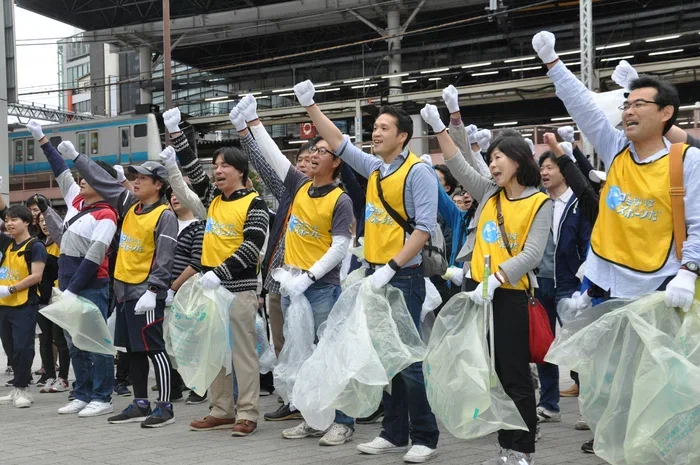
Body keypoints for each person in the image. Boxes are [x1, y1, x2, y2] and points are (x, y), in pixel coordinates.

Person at [533, 29, 700, 454]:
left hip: (661, 288)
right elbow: (585, 108)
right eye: (625, 104)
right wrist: (554, 64)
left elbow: (698, 223)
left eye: (638, 104)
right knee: (611, 380)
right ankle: (620, 446)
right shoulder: (616, 150)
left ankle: (660, 450)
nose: (627, 111)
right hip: (609, 286)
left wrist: (689, 270)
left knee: (659, 380)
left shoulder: (686, 161)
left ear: (666, 113)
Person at [295, 79, 440, 463]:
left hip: (402, 277)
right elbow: (340, 142)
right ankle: (394, 433)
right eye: (374, 128)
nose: (375, 133)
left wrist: (392, 267)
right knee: (386, 358)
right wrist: (311, 107)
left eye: (383, 128)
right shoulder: (376, 168)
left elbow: (424, 228)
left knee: (408, 360)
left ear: (403, 136)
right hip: (376, 276)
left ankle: (425, 435)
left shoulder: (418, 172)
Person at [421, 103, 551, 465]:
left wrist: (496, 278)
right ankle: (504, 447)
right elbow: (460, 164)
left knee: (514, 375)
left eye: (501, 158)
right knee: (490, 373)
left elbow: (533, 253)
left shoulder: (538, 202)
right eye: (491, 158)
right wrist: (438, 127)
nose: (493, 165)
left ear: (520, 161)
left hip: (507, 296)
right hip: (477, 294)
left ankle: (522, 450)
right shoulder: (489, 193)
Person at [232, 95, 356, 445]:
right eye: (312, 151)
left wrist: (310, 277)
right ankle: (312, 418)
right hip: (292, 288)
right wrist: (255, 123)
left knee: (327, 355)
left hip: (320, 289)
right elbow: (273, 157)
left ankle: (342, 421)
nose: (314, 155)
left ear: (336, 163)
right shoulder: (300, 186)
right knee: (299, 355)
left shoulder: (340, 199)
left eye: (322, 152)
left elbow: (341, 246)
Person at [56, 139, 178, 427]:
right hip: (124, 292)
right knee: (132, 350)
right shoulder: (130, 207)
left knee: (154, 349)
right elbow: (104, 181)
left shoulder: (165, 215)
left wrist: (155, 289)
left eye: (143, 179)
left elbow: (165, 257)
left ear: (159, 185)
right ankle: (140, 402)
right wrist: (77, 158)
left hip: (145, 293)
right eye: (134, 178)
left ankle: (165, 407)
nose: (135, 182)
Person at [164, 108, 269, 437]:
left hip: (238, 289)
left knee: (242, 353)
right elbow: (194, 172)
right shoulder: (214, 198)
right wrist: (176, 133)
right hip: (212, 290)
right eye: (216, 166)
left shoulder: (254, 203)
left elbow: (251, 248)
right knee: (214, 349)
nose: (217, 171)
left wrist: (218, 273)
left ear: (240, 171)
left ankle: (248, 412)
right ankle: (221, 408)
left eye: (224, 166)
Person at [534, 148, 591, 424]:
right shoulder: (538, 203)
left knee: (578, 344)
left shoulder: (579, 203)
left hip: (570, 283)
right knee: (544, 344)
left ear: (563, 171)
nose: (544, 172)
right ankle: (548, 404)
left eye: (550, 167)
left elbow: (589, 241)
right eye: (542, 167)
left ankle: (589, 406)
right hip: (541, 281)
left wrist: (584, 279)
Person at [159, 147, 208, 405]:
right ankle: (174, 386)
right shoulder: (167, 223)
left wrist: (174, 287)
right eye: (170, 196)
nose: (174, 199)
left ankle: (199, 387)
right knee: (171, 340)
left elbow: (197, 262)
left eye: (178, 194)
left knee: (192, 340)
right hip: (169, 292)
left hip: (190, 292)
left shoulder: (199, 224)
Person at [0, 205, 47, 408]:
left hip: (24, 304)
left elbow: (36, 276)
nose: (9, 223)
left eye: (14, 220)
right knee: (10, 347)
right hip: (4, 305)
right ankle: (17, 386)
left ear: (27, 221)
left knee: (23, 347)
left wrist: (11, 289)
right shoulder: (7, 244)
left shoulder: (35, 246)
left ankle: (23, 389)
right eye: (7, 220)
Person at [34, 211, 71, 394]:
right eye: (41, 221)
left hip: (58, 297)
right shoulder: (38, 245)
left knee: (60, 339)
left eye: (47, 220)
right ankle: (49, 375)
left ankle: (63, 378)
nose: (44, 224)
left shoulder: (61, 243)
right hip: (41, 299)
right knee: (45, 340)